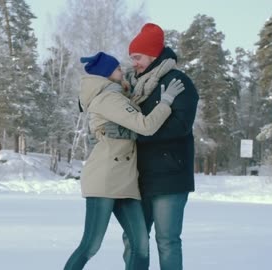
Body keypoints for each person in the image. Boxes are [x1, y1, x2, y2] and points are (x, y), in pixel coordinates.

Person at [64, 51, 185, 270]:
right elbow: (146, 126)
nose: (123, 70)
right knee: (90, 245)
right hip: (104, 180)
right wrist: (166, 102)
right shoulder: (109, 98)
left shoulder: (116, 95)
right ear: (107, 73)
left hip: (126, 182)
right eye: (118, 68)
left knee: (140, 245)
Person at [103, 23, 199, 270]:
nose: (133, 63)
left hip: (170, 176)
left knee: (166, 240)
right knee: (134, 239)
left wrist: (136, 134)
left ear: (153, 54)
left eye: (138, 57)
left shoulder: (179, 82)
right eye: (131, 58)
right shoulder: (133, 85)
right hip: (137, 176)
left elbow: (180, 126)